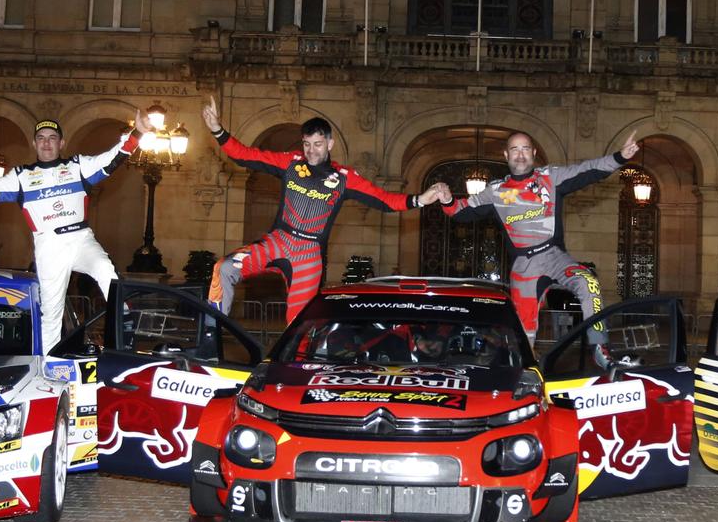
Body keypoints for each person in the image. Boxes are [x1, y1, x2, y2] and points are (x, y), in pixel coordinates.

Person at [202, 98, 449, 325]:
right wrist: (217, 129)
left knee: (298, 323)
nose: (311, 151)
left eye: (318, 144)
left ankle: (294, 367)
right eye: (307, 144)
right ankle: (210, 342)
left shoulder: (345, 178)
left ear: (330, 144)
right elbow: (245, 155)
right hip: (278, 242)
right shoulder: (291, 162)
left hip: (308, 258)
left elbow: (385, 200)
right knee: (224, 268)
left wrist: (419, 200)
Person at [0, 111, 155, 344]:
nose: (47, 142)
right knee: (51, 314)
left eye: (52, 137)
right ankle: (48, 367)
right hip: (49, 245)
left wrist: (139, 132)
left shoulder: (78, 166)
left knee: (105, 270)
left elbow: (113, 158)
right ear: (34, 143)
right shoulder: (22, 176)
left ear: (62, 143)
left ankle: (125, 325)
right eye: (41, 137)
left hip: (80, 237)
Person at [441, 129, 638, 349]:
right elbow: (462, 211)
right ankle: (524, 372)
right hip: (525, 268)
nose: (520, 154)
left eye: (525, 148)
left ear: (534, 152)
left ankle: (600, 349)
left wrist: (620, 157)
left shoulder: (549, 178)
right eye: (514, 149)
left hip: (555, 258)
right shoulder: (495, 192)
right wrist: (447, 200)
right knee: (524, 335)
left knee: (588, 281)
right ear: (506, 155)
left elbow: (587, 170)